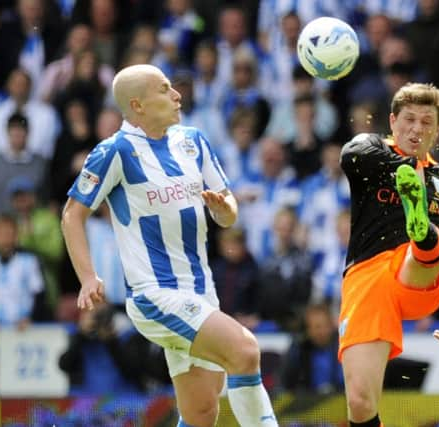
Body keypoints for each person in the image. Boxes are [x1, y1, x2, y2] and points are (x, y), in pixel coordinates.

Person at [60, 64, 277, 426]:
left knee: (201, 412)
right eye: (164, 89)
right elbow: (72, 215)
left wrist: (225, 211)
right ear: (138, 105)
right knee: (245, 350)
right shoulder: (115, 151)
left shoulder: (192, 141)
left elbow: (228, 212)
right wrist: (87, 276)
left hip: (201, 291)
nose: (177, 95)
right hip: (155, 294)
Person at [338, 83, 439, 427]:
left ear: (437, 129)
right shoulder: (372, 150)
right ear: (392, 120)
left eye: (426, 122)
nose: (416, 129)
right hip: (368, 279)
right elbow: (349, 155)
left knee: (429, 243)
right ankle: (421, 227)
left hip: (422, 277)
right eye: (410, 120)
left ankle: (422, 233)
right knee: (360, 403)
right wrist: (405, 164)